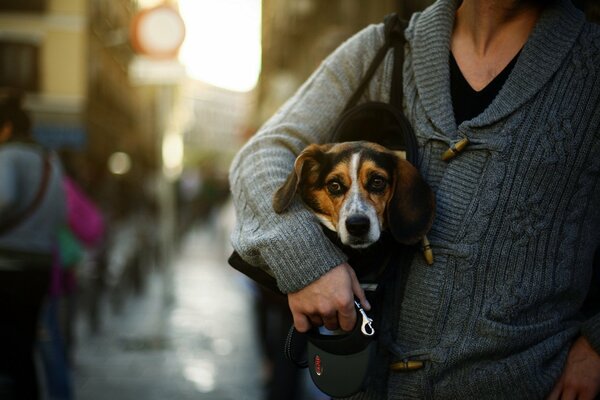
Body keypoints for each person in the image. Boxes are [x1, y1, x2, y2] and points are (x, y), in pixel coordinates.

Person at [230, 0, 600, 398]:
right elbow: (261, 153)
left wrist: (596, 343)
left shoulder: (591, 64)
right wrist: (309, 263)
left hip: (535, 384)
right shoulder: (385, 50)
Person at [0, 90, 67, 399]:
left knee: (10, 350)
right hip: (41, 266)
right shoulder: (51, 160)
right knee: (24, 346)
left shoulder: (8, 156)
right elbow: (61, 213)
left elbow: (4, 198)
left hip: (9, 266)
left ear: (7, 127)